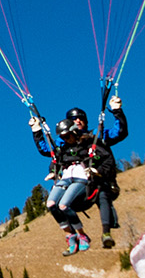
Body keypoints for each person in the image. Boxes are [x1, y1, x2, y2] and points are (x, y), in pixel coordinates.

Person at [30, 95, 129, 254]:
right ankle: (72, 235)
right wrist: (37, 131)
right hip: (73, 180)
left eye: (80, 118)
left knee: (102, 193)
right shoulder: (63, 142)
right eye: (73, 119)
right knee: (55, 203)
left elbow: (120, 132)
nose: (77, 121)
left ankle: (106, 233)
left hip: (97, 179)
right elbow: (48, 149)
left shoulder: (95, 135)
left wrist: (117, 111)